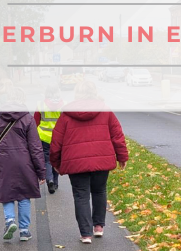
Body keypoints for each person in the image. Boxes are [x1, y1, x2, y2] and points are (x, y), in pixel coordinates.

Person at [50, 102, 128, 242]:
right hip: (101, 159)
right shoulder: (105, 111)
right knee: (99, 191)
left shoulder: (67, 114)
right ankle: (98, 226)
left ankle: (86, 234)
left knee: (81, 196)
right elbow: (117, 135)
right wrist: (122, 156)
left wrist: (55, 162)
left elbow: (56, 140)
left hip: (76, 161)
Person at [0, 108, 46, 241]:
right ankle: (24, 230)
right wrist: (41, 171)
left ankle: (10, 220)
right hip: (24, 161)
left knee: (6, 192)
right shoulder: (27, 118)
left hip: (2, 160)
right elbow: (35, 147)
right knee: (24, 195)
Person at [36, 108, 61, 193]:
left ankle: (50, 180)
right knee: (56, 158)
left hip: (44, 137)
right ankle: (55, 183)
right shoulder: (63, 105)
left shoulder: (41, 105)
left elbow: (35, 122)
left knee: (47, 160)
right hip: (57, 137)